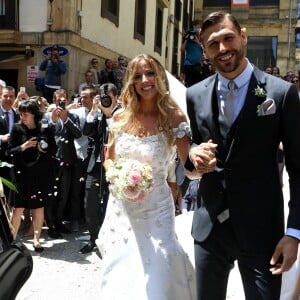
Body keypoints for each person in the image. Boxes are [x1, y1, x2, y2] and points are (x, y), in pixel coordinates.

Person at [184, 11, 300, 299]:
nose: (223, 49)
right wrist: (193, 157)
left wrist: (294, 232)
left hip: (263, 232)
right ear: (205, 50)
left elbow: (299, 169)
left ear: (243, 37)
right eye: (213, 44)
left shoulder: (281, 93)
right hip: (210, 231)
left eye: (228, 38)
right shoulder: (194, 95)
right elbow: (191, 161)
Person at [96, 53, 196, 299]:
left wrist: (204, 162)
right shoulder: (121, 116)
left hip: (157, 209)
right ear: (131, 81)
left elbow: (189, 167)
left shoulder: (173, 117)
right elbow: (109, 158)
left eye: (150, 73)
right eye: (138, 75)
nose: (145, 80)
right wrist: (117, 176)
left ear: (159, 76)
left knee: (159, 275)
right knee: (121, 272)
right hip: (123, 207)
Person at [8, 99, 57, 252]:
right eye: (21, 114)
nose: (23, 117)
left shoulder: (44, 128)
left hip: (40, 173)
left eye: (26, 114)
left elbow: (54, 149)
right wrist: (23, 147)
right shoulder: (16, 129)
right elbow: (9, 151)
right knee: (18, 208)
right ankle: (11, 240)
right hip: (21, 173)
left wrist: (44, 150)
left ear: (34, 115)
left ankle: (37, 240)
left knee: (38, 206)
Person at [79, 84, 119, 254]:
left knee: (113, 205)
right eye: (102, 96)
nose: (105, 100)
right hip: (95, 165)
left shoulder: (121, 114)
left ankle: (110, 239)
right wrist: (95, 109)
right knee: (90, 204)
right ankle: (94, 238)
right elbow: (87, 131)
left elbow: (118, 133)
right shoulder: (97, 114)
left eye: (108, 96)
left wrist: (109, 113)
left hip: (115, 166)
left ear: (116, 98)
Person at [44, 89, 82, 239]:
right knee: (51, 195)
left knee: (63, 195)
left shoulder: (72, 116)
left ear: (66, 101)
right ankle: (51, 225)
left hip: (66, 161)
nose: (60, 103)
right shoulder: (47, 116)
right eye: (58, 100)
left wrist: (66, 120)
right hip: (51, 162)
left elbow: (78, 134)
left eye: (63, 100)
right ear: (54, 101)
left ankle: (59, 222)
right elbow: (43, 134)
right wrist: (53, 121)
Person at [0, 86, 20, 199]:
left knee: (8, 189)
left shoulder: (17, 115)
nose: (8, 99)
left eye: (11, 96)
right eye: (5, 96)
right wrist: (1, 138)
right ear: (0, 97)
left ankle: (5, 215)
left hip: (11, 158)